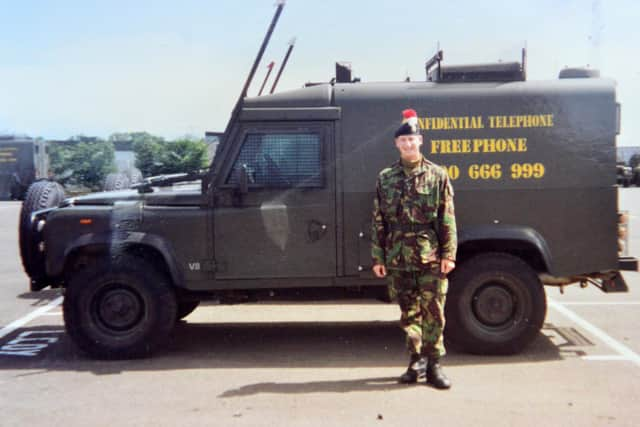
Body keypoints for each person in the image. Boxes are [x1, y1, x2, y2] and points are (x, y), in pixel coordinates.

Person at [371, 108, 457, 389]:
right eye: (403, 141)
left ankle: (434, 365)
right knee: (409, 313)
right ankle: (415, 361)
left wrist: (449, 254)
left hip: (429, 254)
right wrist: (379, 256)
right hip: (397, 256)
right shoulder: (385, 178)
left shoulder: (437, 175)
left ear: (420, 141)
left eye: (412, 140)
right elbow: (378, 219)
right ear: (397, 144)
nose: (408, 145)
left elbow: (447, 217)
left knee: (434, 310)